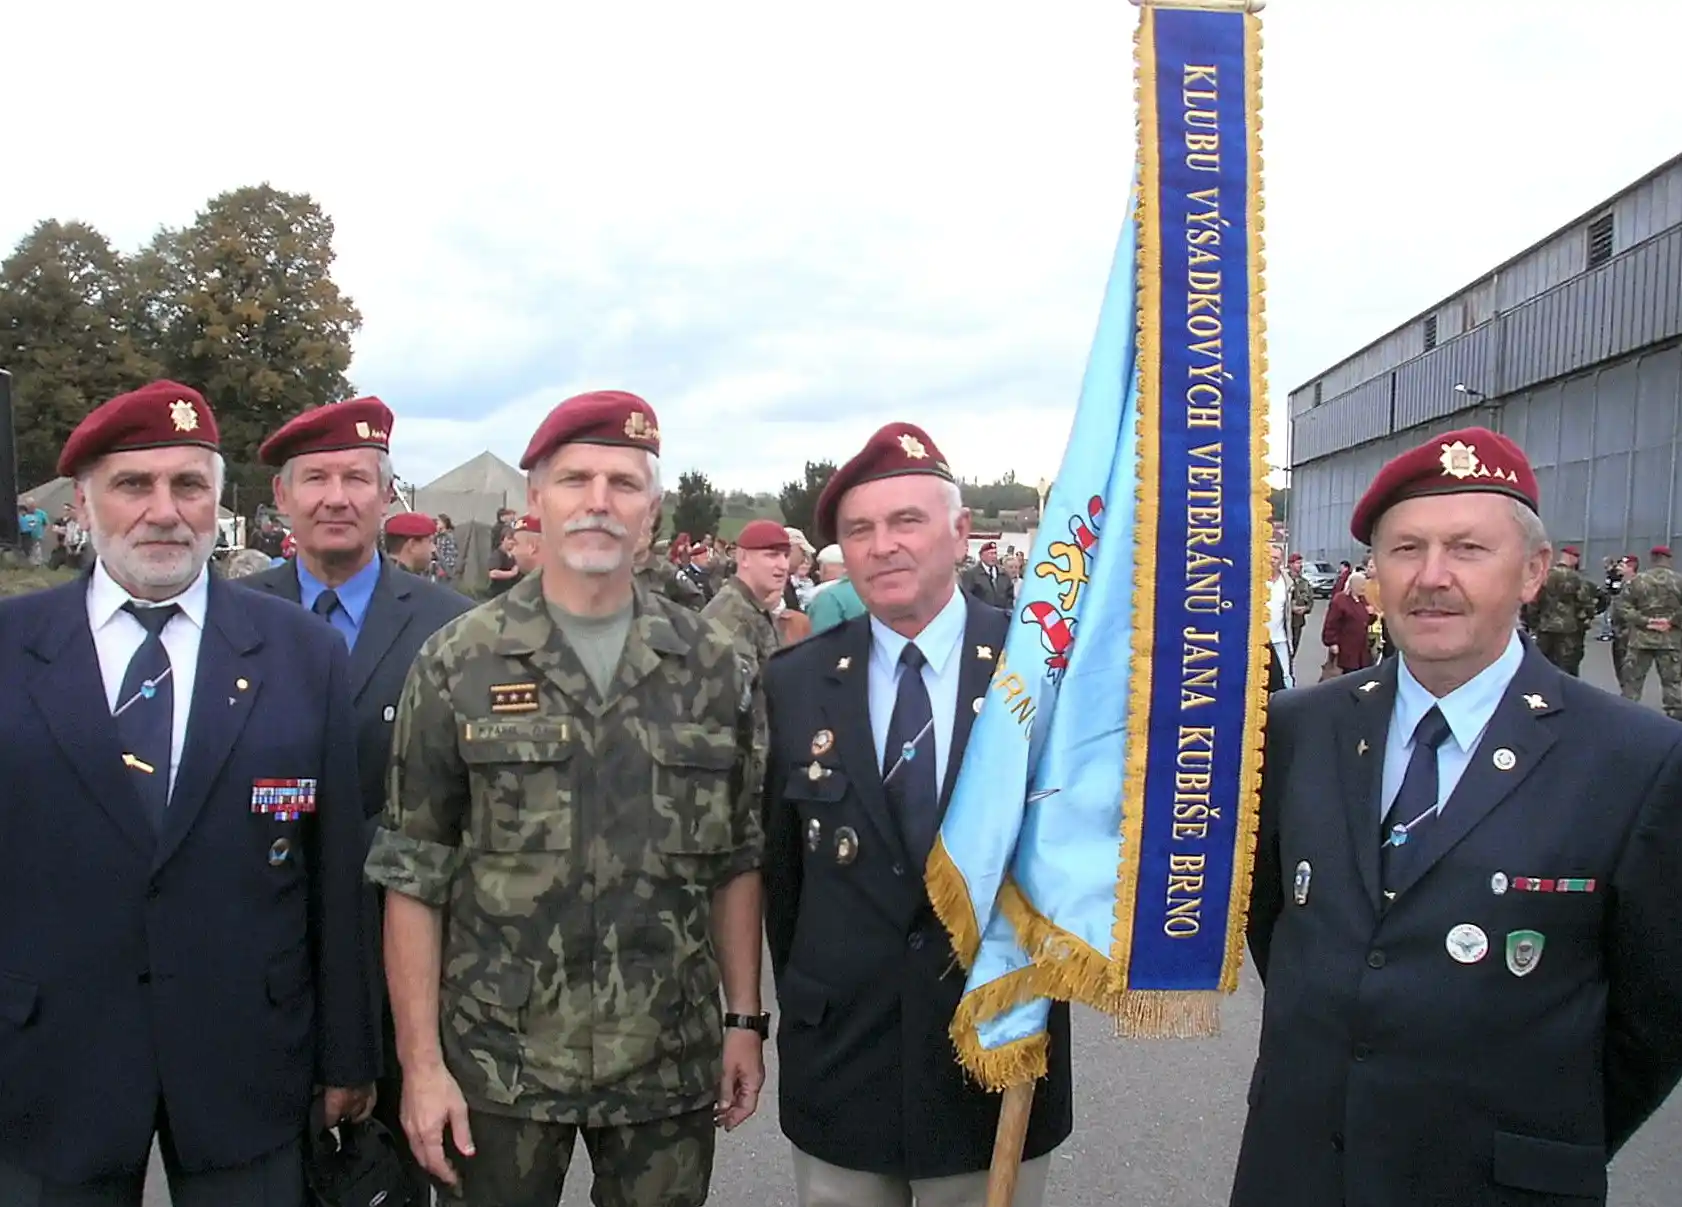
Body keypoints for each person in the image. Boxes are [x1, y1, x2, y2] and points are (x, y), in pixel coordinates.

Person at [1234, 426, 1682, 1207]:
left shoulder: (1637, 759)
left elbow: (1654, 1017)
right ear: (1375, 573)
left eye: (1469, 549)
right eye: (1405, 549)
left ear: (1534, 570)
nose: (1431, 577)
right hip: (1299, 1171)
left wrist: (1544, 1139)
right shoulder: (1296, 729)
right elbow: (1282, 930)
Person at [364, 389, 766, 1207]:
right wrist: (421, 1065)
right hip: (498, 1064)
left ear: (651, 512)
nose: (598, 502)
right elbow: (414, 873)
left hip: (666, 1058)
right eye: (574, 479)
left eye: (623, 483)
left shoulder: (716, 666)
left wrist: (744, 1019)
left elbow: (737, 858)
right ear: (534, 501)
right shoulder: (458, 661)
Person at [0, 380, 379, 1205]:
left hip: (250, 1055)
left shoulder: (302, 654)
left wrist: (349, 1054)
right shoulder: (10, 649)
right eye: (134, 484)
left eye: (189, 485)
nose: (164, 511)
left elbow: (335, 870)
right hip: (46, 1061)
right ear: (85, 499)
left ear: (218, 498)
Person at [762, 422, 1073, 1207]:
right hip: (841, 1064)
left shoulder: (1037, 672)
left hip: (992, 1063)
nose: (883, 546)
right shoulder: (794, 685)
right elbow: (782, 880)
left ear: (961, 532)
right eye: (860, 530)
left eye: (908, 521)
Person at [237, 396, 472, 1194]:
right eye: (315, 478)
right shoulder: (229, 621)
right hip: (261, 960)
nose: (336, 495)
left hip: (409, 965)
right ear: (281, 498)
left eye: (357, 477)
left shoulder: (455, 628)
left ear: (386, 495)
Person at [700, 517, 791, 672]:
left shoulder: (752, 606)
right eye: (772, 555)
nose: (783, 565)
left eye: (786, 556)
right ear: (744, 559)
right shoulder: (730, 616)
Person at [1614, 545, 1682, 720]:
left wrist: (1646, 621)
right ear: (1669, 559)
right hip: (1670, 641)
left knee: (1632, 685)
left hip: (1640, 641)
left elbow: (1622, 606)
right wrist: (1671, 621)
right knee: (1673, 685)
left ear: (1652, 558)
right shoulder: (1678, 581)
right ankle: (1675, 724)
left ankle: (1626, 721)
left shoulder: (1638, 581)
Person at [1319, 569, 1375, 677]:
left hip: (1361, 649)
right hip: (1346, 648)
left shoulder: (1362, 600)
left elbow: (1366, 621)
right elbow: (1331, 623)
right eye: (1361, 585)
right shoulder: (1340, 600)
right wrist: (1332, 643)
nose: (1364, 588)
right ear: (1353, 585)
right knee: (1346, 676)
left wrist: (1371, 615)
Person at [805, 544, 866, 634]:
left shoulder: (828, 596)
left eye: (822, 566)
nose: (819, 572)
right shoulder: (868, 589)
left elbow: (822, 639)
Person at [384, 510, 439, 576]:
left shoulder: (379, 576)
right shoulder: (408, 584)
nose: (433, 549)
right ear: (413, 545)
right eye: (430, 541)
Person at [959, 540, 1012, 608]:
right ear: (981, 556)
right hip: (981, 615)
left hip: (1001, 615)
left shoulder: (1003, 573)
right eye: (990, 554)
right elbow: (967, 596)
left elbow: (1010, 595)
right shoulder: (971, 574)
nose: (993, 556)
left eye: (995, 553)